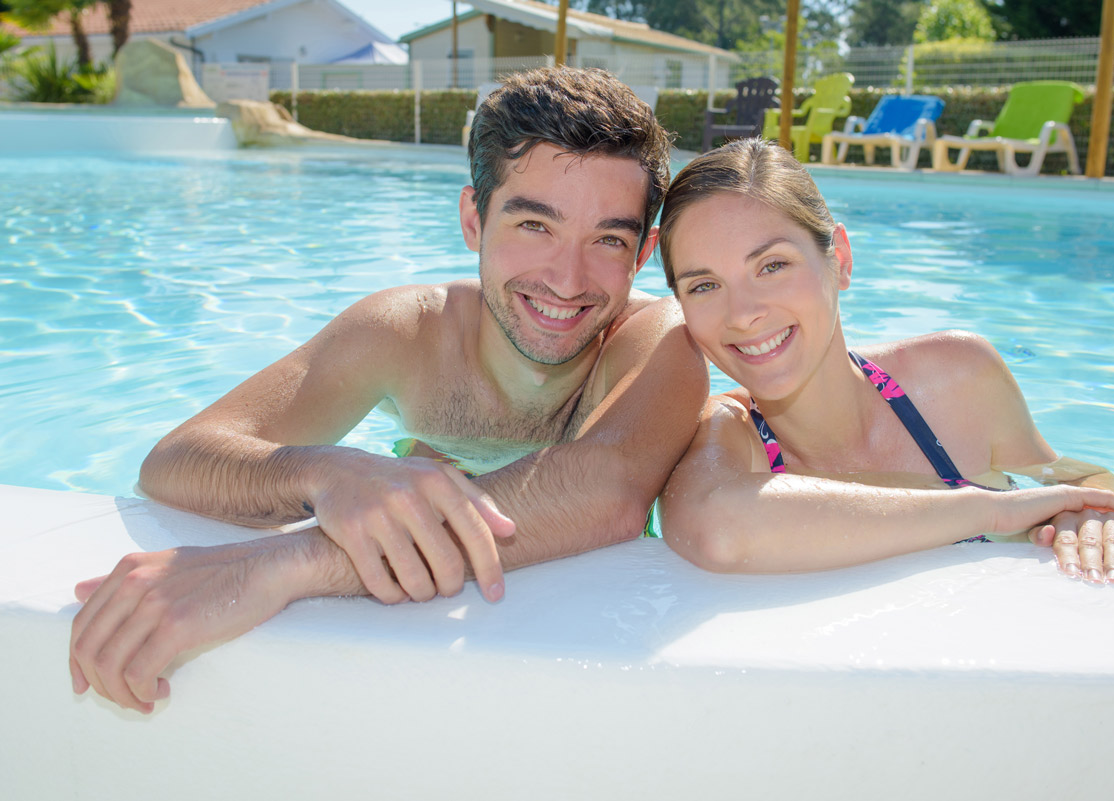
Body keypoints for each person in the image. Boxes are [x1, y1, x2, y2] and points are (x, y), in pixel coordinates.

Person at [68, 66, 710, 713]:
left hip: (584, 675)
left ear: (645, 252)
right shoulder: (403, 334)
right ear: (473, 218)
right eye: (534, 226)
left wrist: (285, 562)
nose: (567, 279)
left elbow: (607, 492)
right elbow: (174, 461)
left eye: (607, 239)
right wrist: (325, 470)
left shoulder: (660, 340)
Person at [655, 138, 1114, 579]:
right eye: (705, 285)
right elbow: (718, 532)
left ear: (840, 260)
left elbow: (1073, 480)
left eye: (773, 265)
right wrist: (991, 512)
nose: (743, 315)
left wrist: (1089, 514)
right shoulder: (727, 432)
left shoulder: (957, 378)